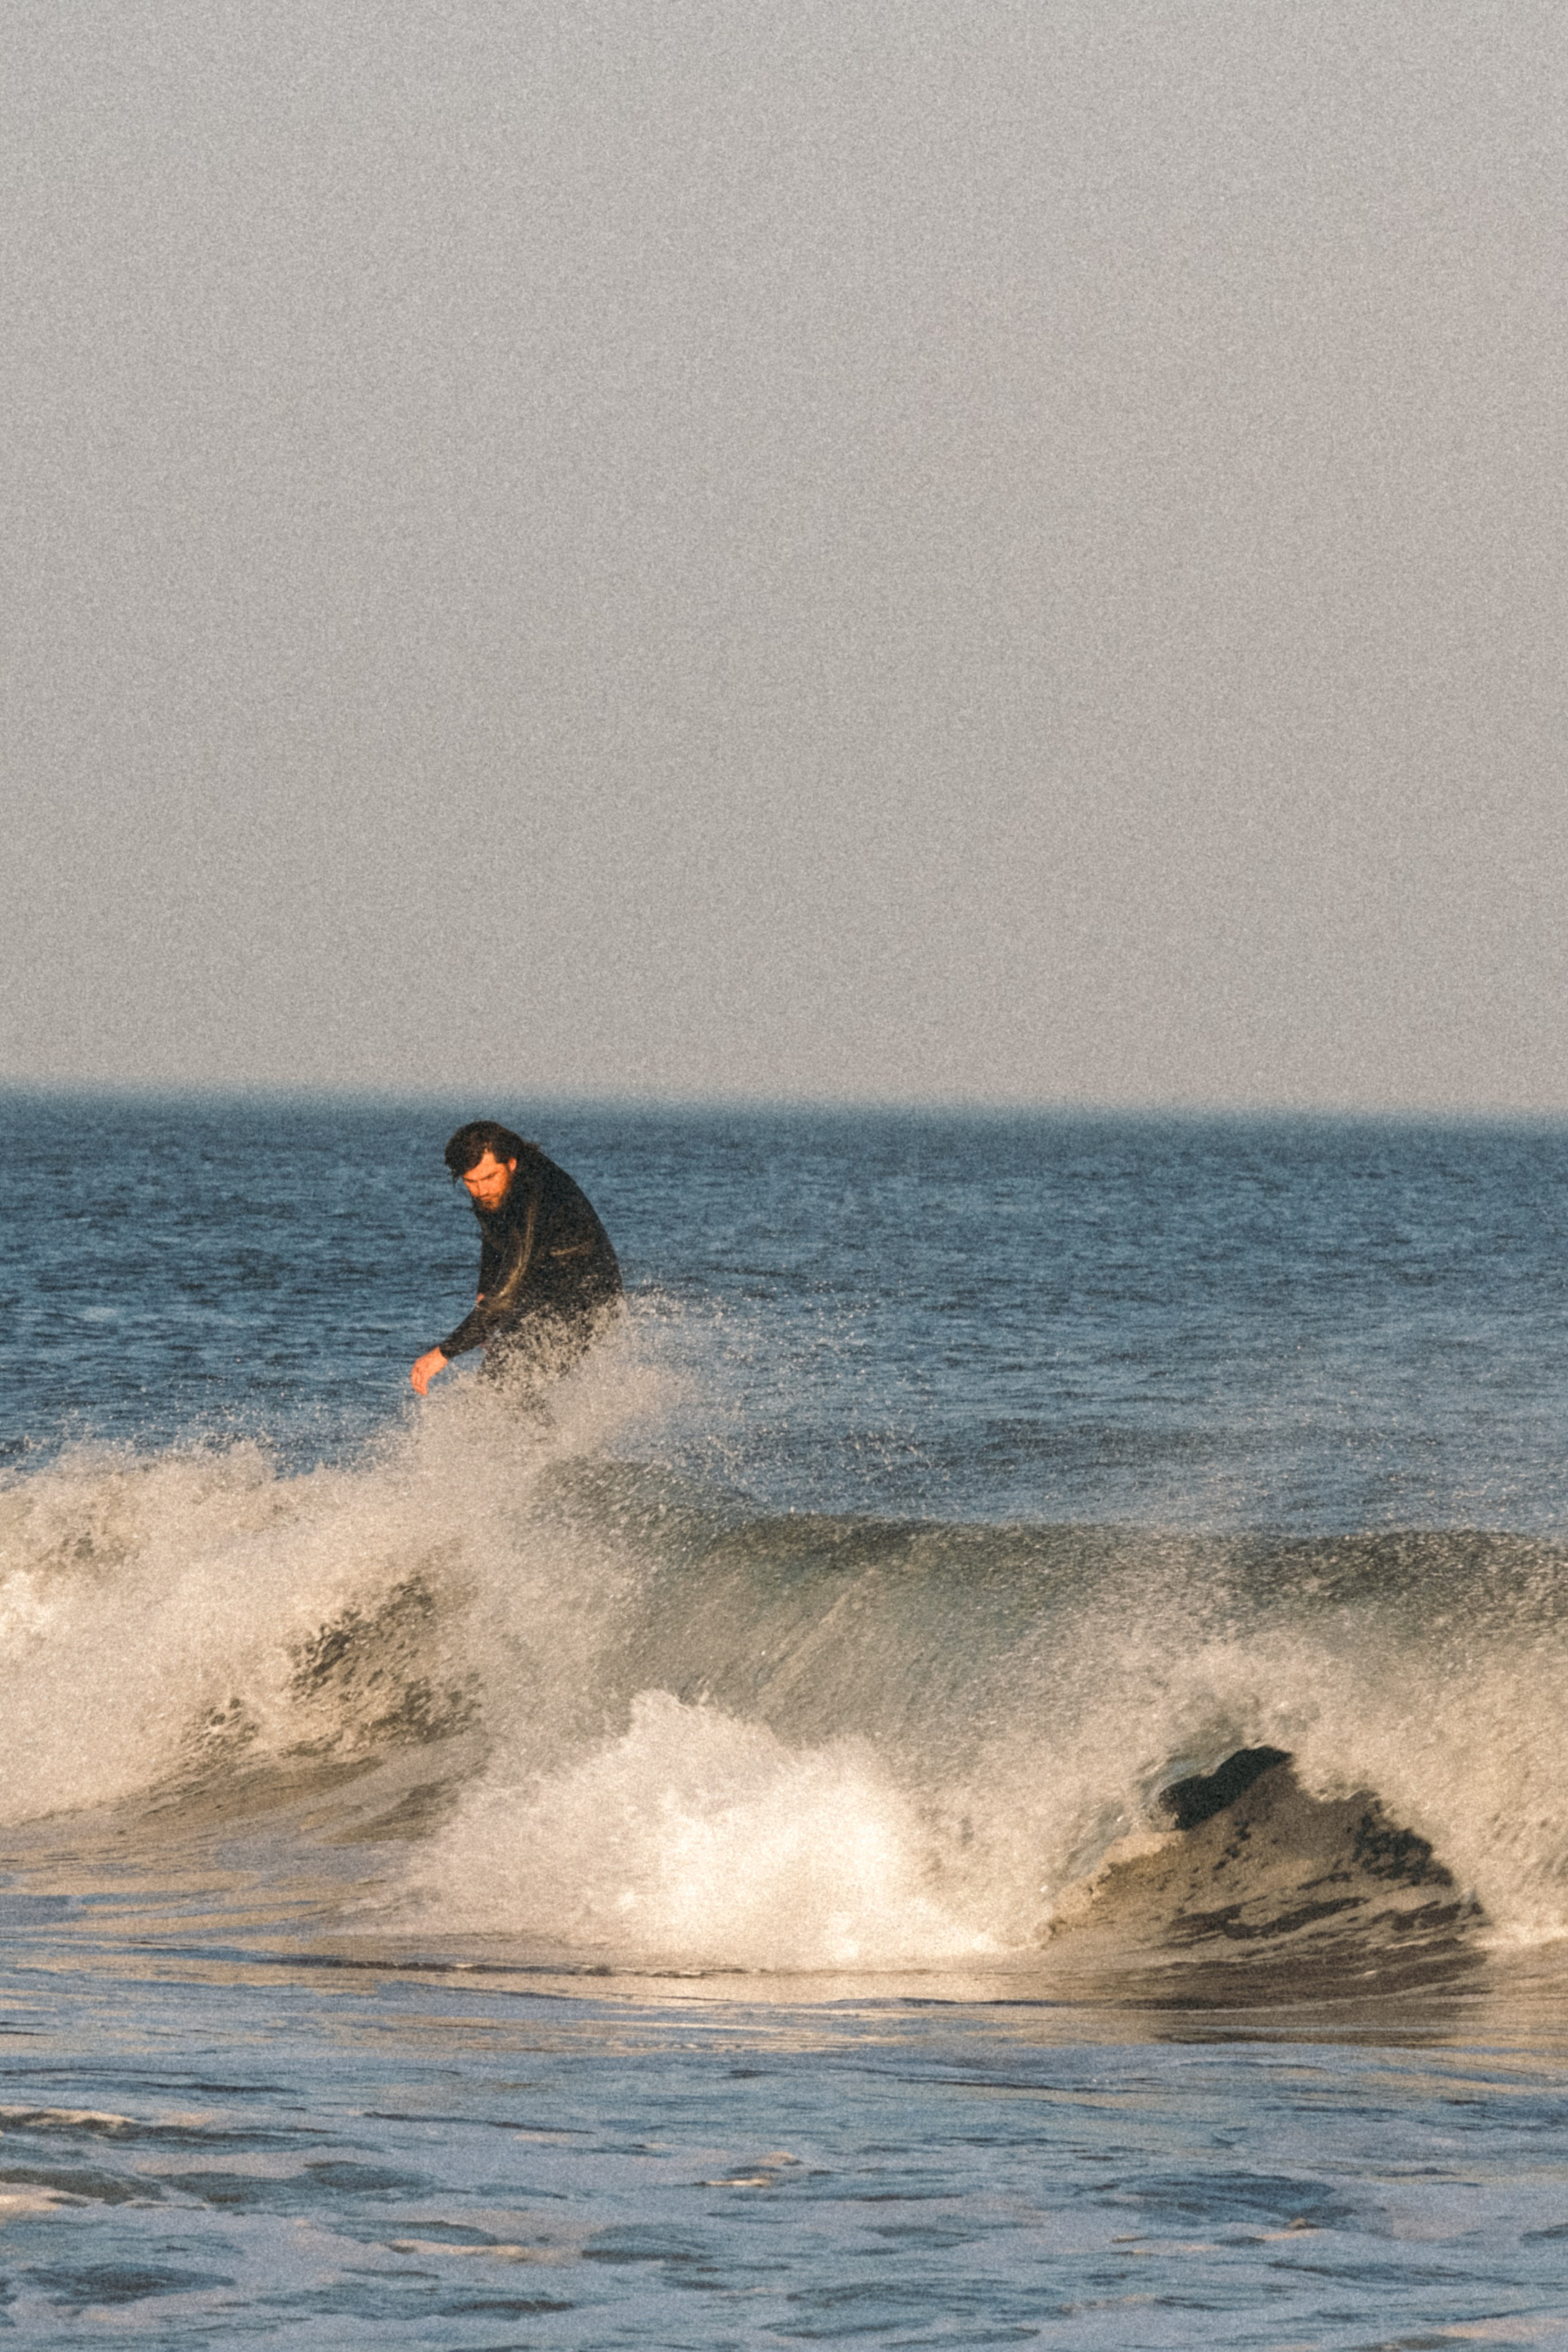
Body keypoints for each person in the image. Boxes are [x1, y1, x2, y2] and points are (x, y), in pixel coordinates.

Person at [410, 1121, 622, 1396]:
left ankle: (548, 1441)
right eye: (470, 1182)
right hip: (541, 1289)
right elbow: (496, 1235)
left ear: (511, 1163)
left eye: (488, 1178)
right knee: (494, 1385)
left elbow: (507, 1293)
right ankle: (538, 1440)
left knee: (508, 1386)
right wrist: (485, 1290)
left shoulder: (535, 1194)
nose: (481, 1190)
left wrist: (444, 1353)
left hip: (587, 1302)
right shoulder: (496, 1185)